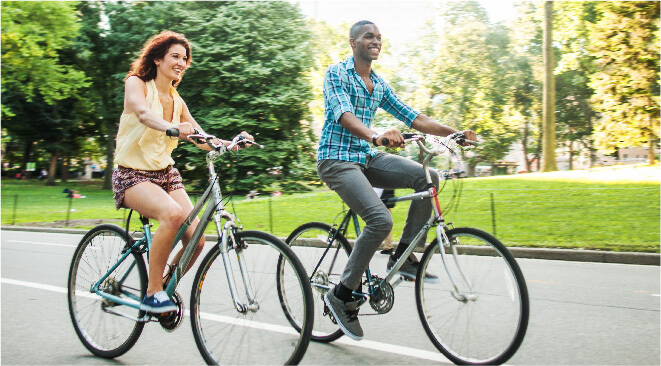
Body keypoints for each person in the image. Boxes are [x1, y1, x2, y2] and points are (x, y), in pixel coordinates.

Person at [317, 20, 477, 340]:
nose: (375, 41)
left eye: (378, 37)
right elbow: (344, 115)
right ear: (353, 42)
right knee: (379, 219)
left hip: (367, 157)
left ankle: (404, 256)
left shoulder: (378, 83)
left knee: (427, 178)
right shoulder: (337, 73)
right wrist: (376, 135)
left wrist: (454, 133)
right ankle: (342, 294)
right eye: (368, 37)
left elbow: (414, 117)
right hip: (337, 159)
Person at [112, 31, 253, 314]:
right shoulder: (136, 83)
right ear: (158, 58)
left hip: (165, 175)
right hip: (132, 175)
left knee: (197, 239)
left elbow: (201, 137)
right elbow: (142, 113)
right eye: (175, 56)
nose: (181, 62)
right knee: (173, 216)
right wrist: (171, 127)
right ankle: (152, 293)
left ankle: (163, 286)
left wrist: (232, 144)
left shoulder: (177, 100)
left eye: (184, 58)